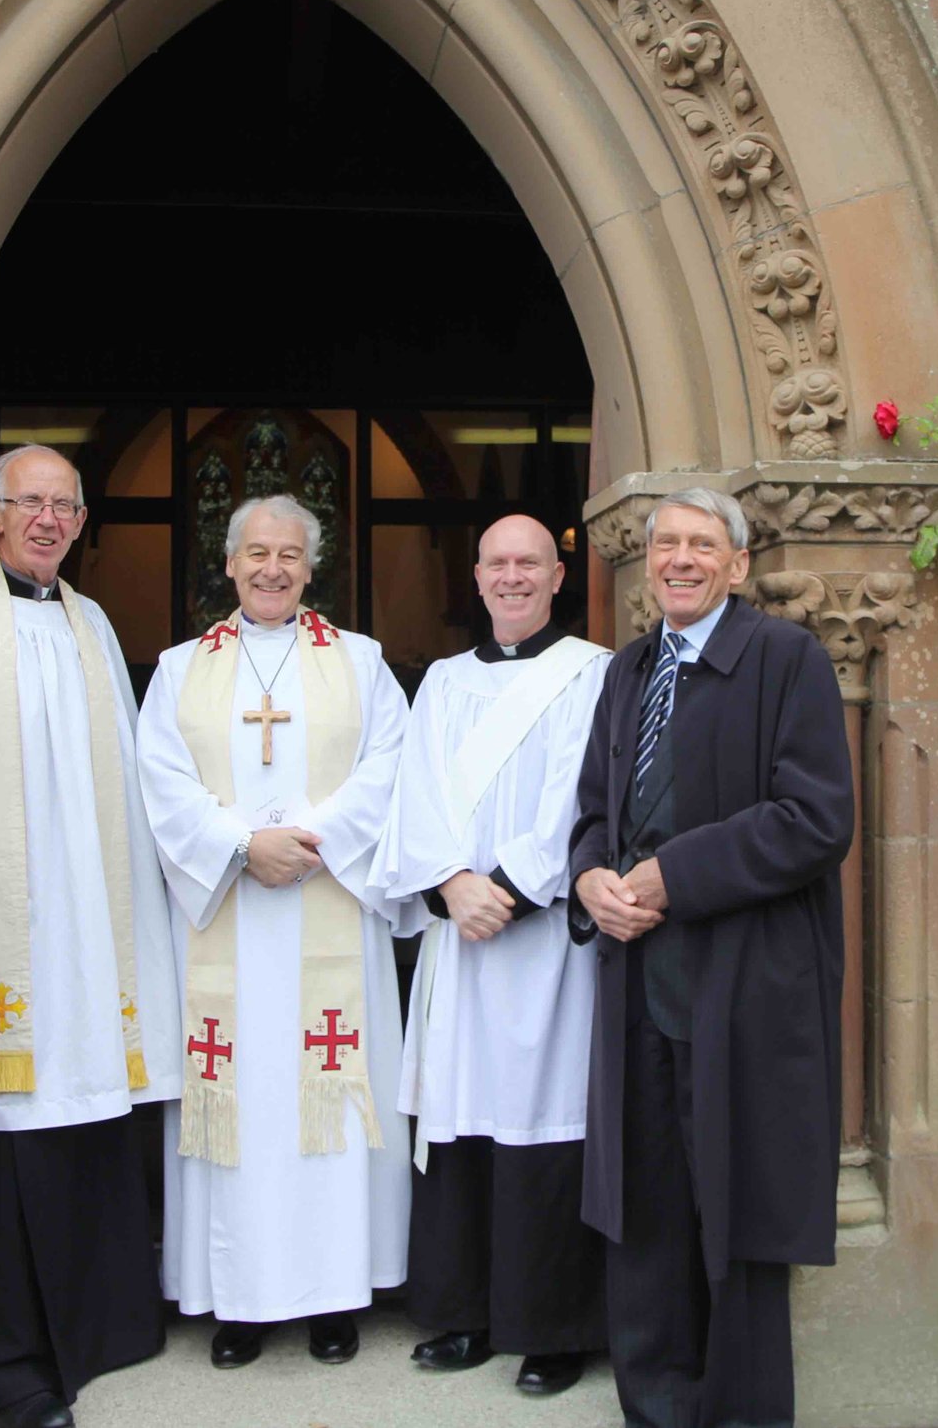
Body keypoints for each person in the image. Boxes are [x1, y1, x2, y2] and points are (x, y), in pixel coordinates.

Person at [0, 446, 181, 1428]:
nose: (49, 520)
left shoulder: (92, 621)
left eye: (65, 505)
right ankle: (1, 1357)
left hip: (90, 924)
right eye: (31, 504)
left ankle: (95, 1332)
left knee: (87, 1094)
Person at [567, 488, 852, 1428]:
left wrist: (667, 876)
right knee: (645, 1212)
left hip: (743, 990)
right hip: (639, 988)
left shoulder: (785, 659)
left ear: (737, 563)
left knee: (736, 1218)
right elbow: (596, 815)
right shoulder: (628, 671)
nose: (679, 559)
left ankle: (740, 1414)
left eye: (702, 545)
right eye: (665, 545)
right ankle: (654, 1407)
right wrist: (591, 882)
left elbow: (815, 820)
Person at [138, 494, 410, 1368]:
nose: (272, 568)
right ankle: (239, 1301)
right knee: (243, 1109)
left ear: (309, 565)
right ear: (227, 562)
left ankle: (333, 1296)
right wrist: (239, 845)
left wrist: (308, 842)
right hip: (226, 920)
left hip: (328, 902)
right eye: (256, 553)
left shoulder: (362, 662)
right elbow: (161, 780)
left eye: (289, 554)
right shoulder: (180, 669)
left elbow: (389, 766)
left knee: (323, 1101)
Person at [370, 514, 610, 1396]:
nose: (512, 578)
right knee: (462, 1120)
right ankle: (465, 1313)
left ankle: (552, 1326)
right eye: (498, 564)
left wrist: (505, 884)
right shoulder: (438, 680)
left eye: (529, 564)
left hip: (541, 942)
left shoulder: (591, 673)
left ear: (557, 576)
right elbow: (416, 792)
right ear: (475, 577)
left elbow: (584, 794)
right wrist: (448, 884)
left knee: (543, 1122)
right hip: (458, 942)